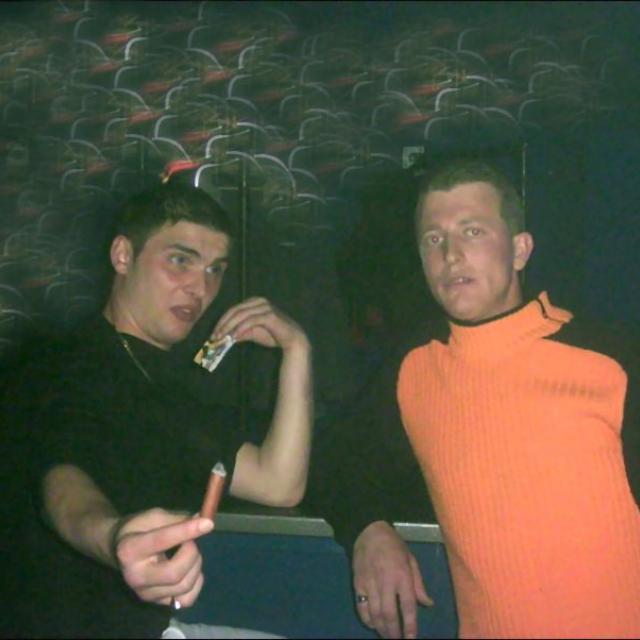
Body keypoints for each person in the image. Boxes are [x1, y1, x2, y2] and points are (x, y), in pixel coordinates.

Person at [326, 159, 640, 639]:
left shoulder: (611, 361)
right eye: (433, 239)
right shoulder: (414, 369)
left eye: (472, 232)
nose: (451, 254)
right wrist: (369, 532)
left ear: (520, 250)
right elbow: (337, 457)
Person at [1, 182, 312, 638]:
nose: (200, 287)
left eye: (215, 269)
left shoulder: (163, 385)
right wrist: (114, 536)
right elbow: (61, 475)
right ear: (123, 256)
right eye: (180, 260)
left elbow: (278, 482)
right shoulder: (68, 363)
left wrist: (297, 349)